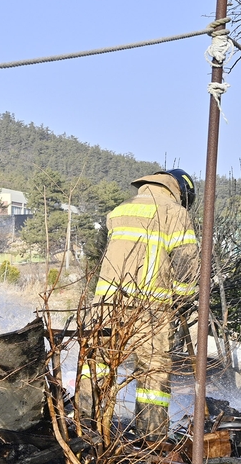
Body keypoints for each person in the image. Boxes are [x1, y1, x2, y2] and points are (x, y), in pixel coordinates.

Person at [78, 169, 199, 442]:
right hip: (150, 309)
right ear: (180, 191)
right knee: (153, 373)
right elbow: (187, 263)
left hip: (106, 305)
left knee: (96, 364)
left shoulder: (120, 210)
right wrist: (183, 299)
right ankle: (151, 439)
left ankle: (85, 426)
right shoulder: (175, 213)